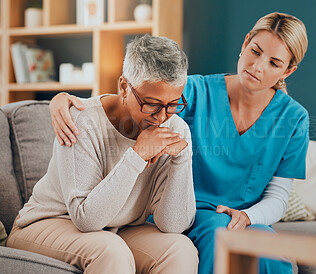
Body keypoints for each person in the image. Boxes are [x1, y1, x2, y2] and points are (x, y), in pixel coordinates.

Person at [48, 12, 309, 274]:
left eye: (274, 63)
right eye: (255, 51)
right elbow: (135, 98)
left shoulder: (294, 119)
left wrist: (250, 217)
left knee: (270, 252)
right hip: (189, 211)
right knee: (224, 240)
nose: (258, 66)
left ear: (288, 70)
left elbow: (278, 196)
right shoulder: (194, 92)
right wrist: (64, 99)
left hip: (245, 218)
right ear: (245, 43)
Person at [6, 35, 199, 274]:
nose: (161, 117)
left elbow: (173, 225)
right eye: (151, 104)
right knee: (111, 251)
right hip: (49, 223)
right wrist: (136, 155)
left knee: (180, 248)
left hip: (117, 228)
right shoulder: (81, 120)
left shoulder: (176, 129)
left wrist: (181, 160)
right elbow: (86, 219)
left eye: (172, 104)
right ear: (124, 87)